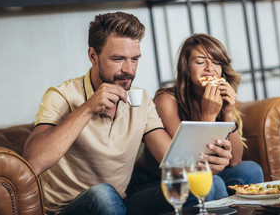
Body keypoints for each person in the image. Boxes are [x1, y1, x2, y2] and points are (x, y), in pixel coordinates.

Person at [23, 12, 177, 215]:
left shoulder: (140, 99)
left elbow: (174, 161)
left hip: (118, 204)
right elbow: (33, 162)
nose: (129, 70)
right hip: (65, 209)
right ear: (93, 56)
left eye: (135, 59)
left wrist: (208, 159)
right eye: (118, 59)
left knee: (209, 185)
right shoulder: (62, 96)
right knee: (103, 195)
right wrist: (87, 108)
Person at [136, 33, 264, 201]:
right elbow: (188, 161)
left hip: (203, 174)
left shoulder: (220, 97)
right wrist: (208, 114)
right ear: (187, 68)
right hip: (158, 182)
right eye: (200, 61)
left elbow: (236, 161)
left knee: (251, 170)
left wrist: (227, 112)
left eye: (217, 62)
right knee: (213, 182)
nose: (210, 68)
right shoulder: (166, 100)